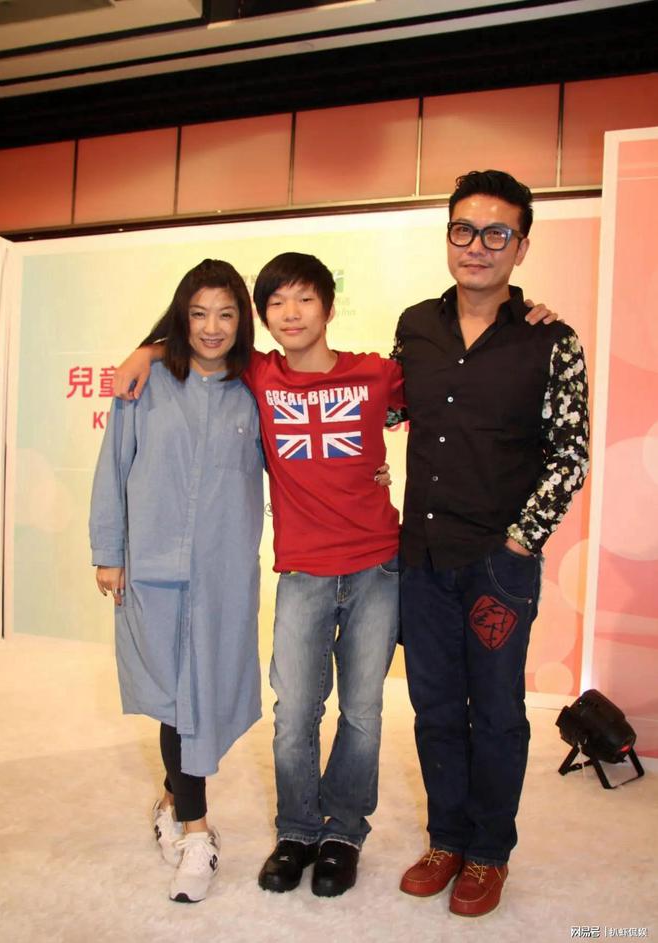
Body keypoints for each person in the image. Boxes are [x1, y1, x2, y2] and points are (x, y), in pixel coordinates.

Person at [113, 250, 557, 899]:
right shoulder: (257, 374)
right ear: (262, 317)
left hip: (378, 566)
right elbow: (199, 341)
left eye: (304, 299)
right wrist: (145, 351)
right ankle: (296, 831)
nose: (291, 314)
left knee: (363, 712)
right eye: (276, 303)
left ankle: (344, 832)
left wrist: (522, 315)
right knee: (294, 713)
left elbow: (455, 384)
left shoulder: (377, 373)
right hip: (303, 572)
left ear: (328, 306)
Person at [394, 170, 590, 917]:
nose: (476, 246)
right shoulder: (415, 325)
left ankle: (489, 852)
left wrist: (519, 543)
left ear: (521, 246)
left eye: (496, 233)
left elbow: (569, 457)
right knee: (434, 706)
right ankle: (446, 839)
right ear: (447, 236)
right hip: (422, 557)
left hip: (497, 566)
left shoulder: (552, 340)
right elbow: (378, 405)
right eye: (463, 230)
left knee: (498, 712)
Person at [90, 259, 264, 904]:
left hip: (223, 574)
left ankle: (171, 799)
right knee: (175, 699)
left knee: (205, 695)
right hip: (153, 567)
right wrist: (109, 552)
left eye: (225, 314)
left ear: (242, 320)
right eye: (198, 313)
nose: (211, 327)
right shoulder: (148, 382)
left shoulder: (257, 389)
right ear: (180, 317)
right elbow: (114, 467)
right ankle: (197, 832)